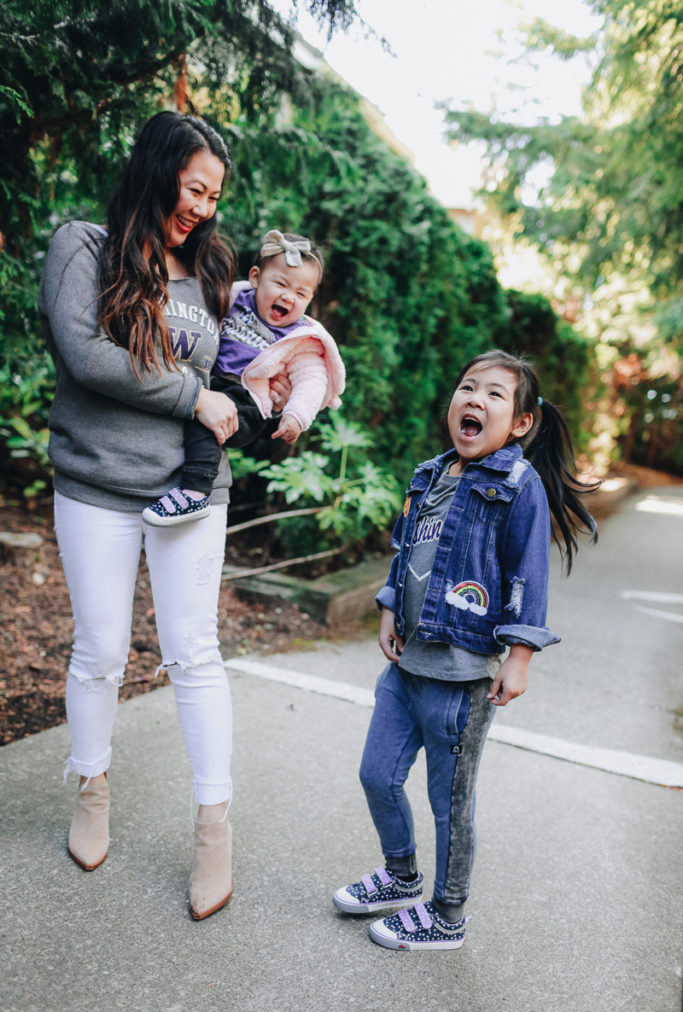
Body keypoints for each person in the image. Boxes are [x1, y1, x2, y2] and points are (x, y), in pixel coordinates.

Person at [37, 111, 286, 921]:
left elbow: (235, 365)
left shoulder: (212, 268)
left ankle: (213, 832)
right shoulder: (83, 246)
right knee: (101, 650)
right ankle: (92, 788)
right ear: (156, 171)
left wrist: (274, 390)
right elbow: (87, 354)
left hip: (190, 490)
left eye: (214, 196)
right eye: (194, 189)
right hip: (97, 482)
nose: (204, 208)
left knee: (194, 653)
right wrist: (191, 395)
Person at [332, 349, 598, 950]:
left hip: (461, 677)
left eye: (495, 394)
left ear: (521, 423)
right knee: (376, 774)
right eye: (467, 386)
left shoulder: (518, 486)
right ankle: (400, 875)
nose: (475, 398)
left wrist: (520, 655)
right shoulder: (429, 474)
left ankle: (447, 914)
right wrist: (388, 605)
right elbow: (405, 548)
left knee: (449, 803)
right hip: (406, 668)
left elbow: (528, 572)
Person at [141, 229, 345, 526]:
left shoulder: (300, 339)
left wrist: (296, 415)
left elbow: (312, 379)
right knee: (191, 403)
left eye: (301, 293)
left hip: (247, 399)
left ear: (310, 298)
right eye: (280, 284)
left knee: (207, 421)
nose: (288, 296)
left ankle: (195, 493)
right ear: (255, 277)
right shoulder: (235, 300)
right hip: (212, 382)